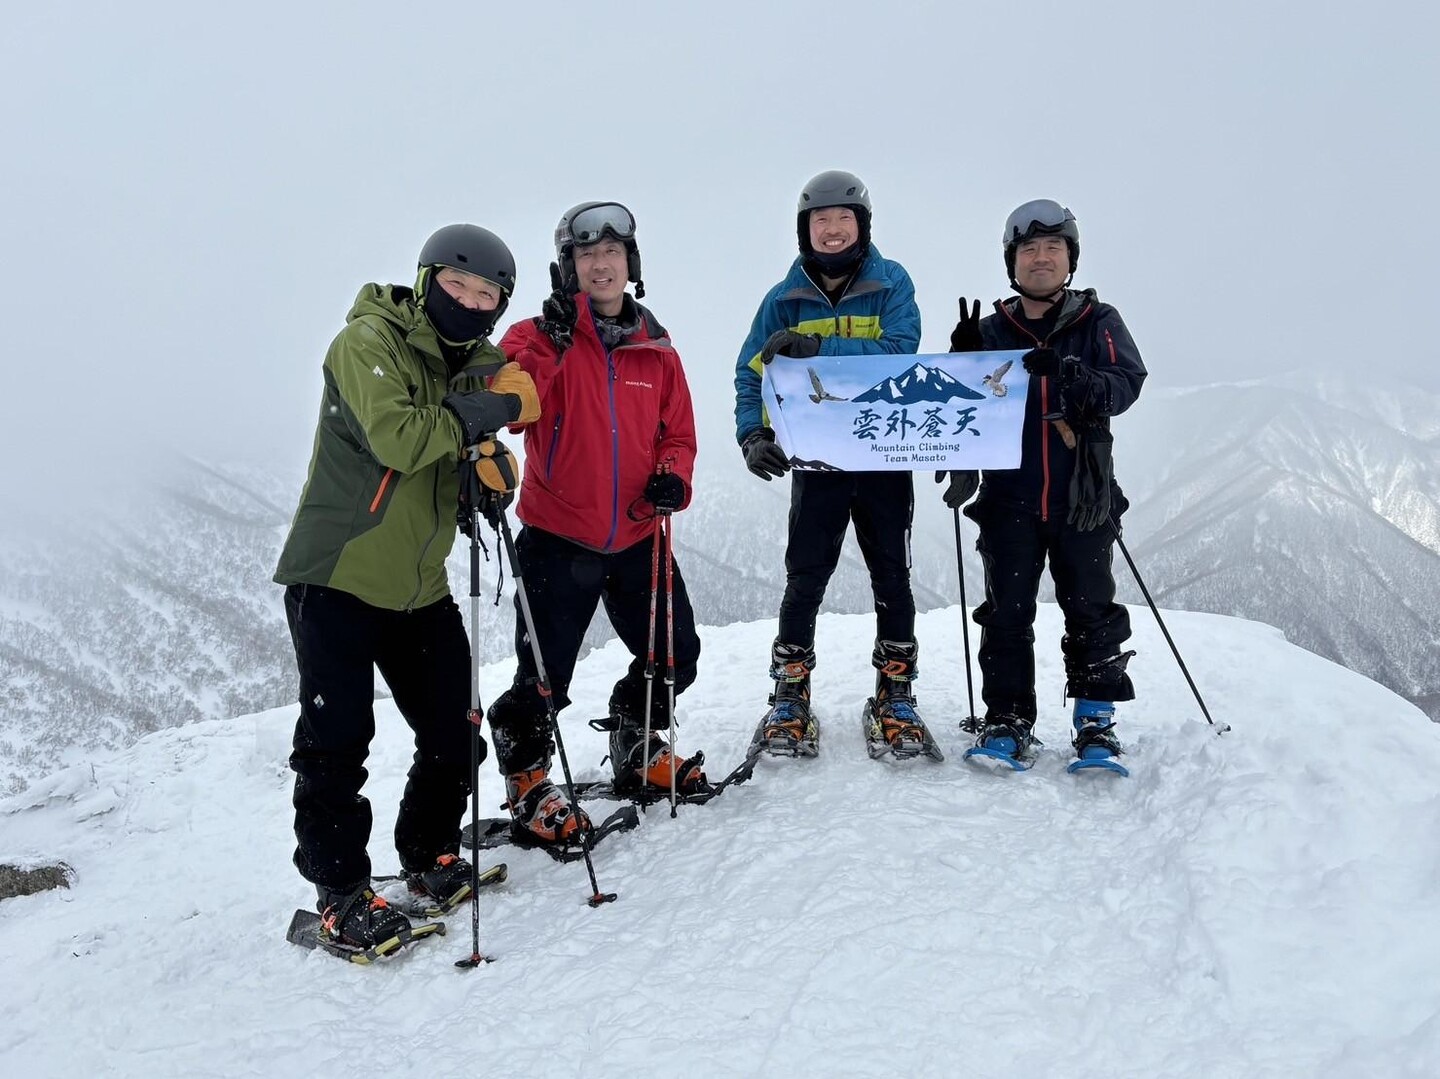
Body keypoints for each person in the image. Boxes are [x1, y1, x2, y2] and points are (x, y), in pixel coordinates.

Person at [274, 224, 539, 953]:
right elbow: (400, 438)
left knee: (456, 728)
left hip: (418, 584)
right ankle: (339, 895)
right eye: (456, 285)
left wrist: (487, 472)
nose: (469, 301)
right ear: (426, 282)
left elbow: (515, 401)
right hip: (337, 576)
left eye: (485, 295)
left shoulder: (472, 365)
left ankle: (426, 854)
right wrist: (487, 414)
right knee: (336, 744)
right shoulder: (367, 344)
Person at [485, 200, 707, 848]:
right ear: (569, 267)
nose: (602, 264)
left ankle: (634, 737)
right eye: (588, 255)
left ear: (630, 263)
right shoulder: (537, 334)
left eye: (613, 253)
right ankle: (528, 782)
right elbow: (510, 409)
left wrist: (673, 473)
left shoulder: (657, 350)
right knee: (544, 675)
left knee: (676, 654)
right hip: (558, 536)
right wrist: (550, 346)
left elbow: (680, 434)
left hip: (640, 534)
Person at [939, 199, 1147, 769]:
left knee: (1091, 608)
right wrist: (961, 364)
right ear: (1013, 260)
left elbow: (1127, 384)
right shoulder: (989, 329)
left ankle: (1095, 723)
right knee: (1006, 612)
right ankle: (1007, 720)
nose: (1041, 258)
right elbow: (961, 408)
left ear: (1070, 259)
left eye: (1053, 248)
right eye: (1029, 249)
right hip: (1008, 499)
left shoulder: (1098, 322)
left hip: (1083, 497)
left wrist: (1074, 374)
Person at [734, 169, 930, 758]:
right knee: (806, 575)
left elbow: (901, 353)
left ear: (862, 226)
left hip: (883, 454)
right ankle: (789, 697)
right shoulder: (782, 299)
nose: (833, 230)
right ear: (806, 230)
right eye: (821, 220)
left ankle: (896, 694)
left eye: (844, 218)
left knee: (892, 574)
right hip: (816, 459)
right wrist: (751, 433)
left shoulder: (892, 283)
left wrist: (821, 349)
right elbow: (752, 371)